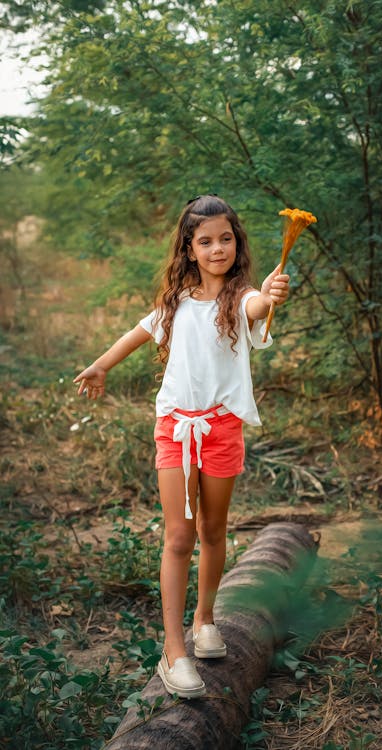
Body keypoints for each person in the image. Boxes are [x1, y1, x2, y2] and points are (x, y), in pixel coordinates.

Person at [74, 195, 290, 698]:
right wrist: (103, 364)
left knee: (214, 531)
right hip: (175, 428)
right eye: (206, 241)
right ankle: (174, 652)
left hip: (221, 430)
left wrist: (272, 293)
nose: (218, 248)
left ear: (237, 244)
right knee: (179, 536)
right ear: (189, 249)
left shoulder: (241, 298)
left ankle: (204, 620)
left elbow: (259, 305)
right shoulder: (174, 303)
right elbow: (136, 333)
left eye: (226, 239)